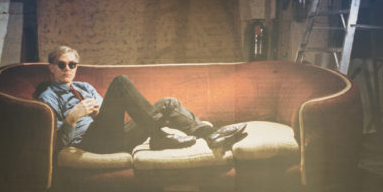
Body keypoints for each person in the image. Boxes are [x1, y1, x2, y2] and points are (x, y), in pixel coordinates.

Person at [36, 45, 246, 153]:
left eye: (72, 65)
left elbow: (108, 116)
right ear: (51, 67)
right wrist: (73, 117)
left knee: (168, 103)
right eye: (62, 64)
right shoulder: (48, 96)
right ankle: (158, 135)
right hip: (91, 142)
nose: (67, 69)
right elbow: (55, 143)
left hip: (114, 135)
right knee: (121, 82)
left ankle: (211, 135)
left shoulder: (85, 87)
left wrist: (99, 111)